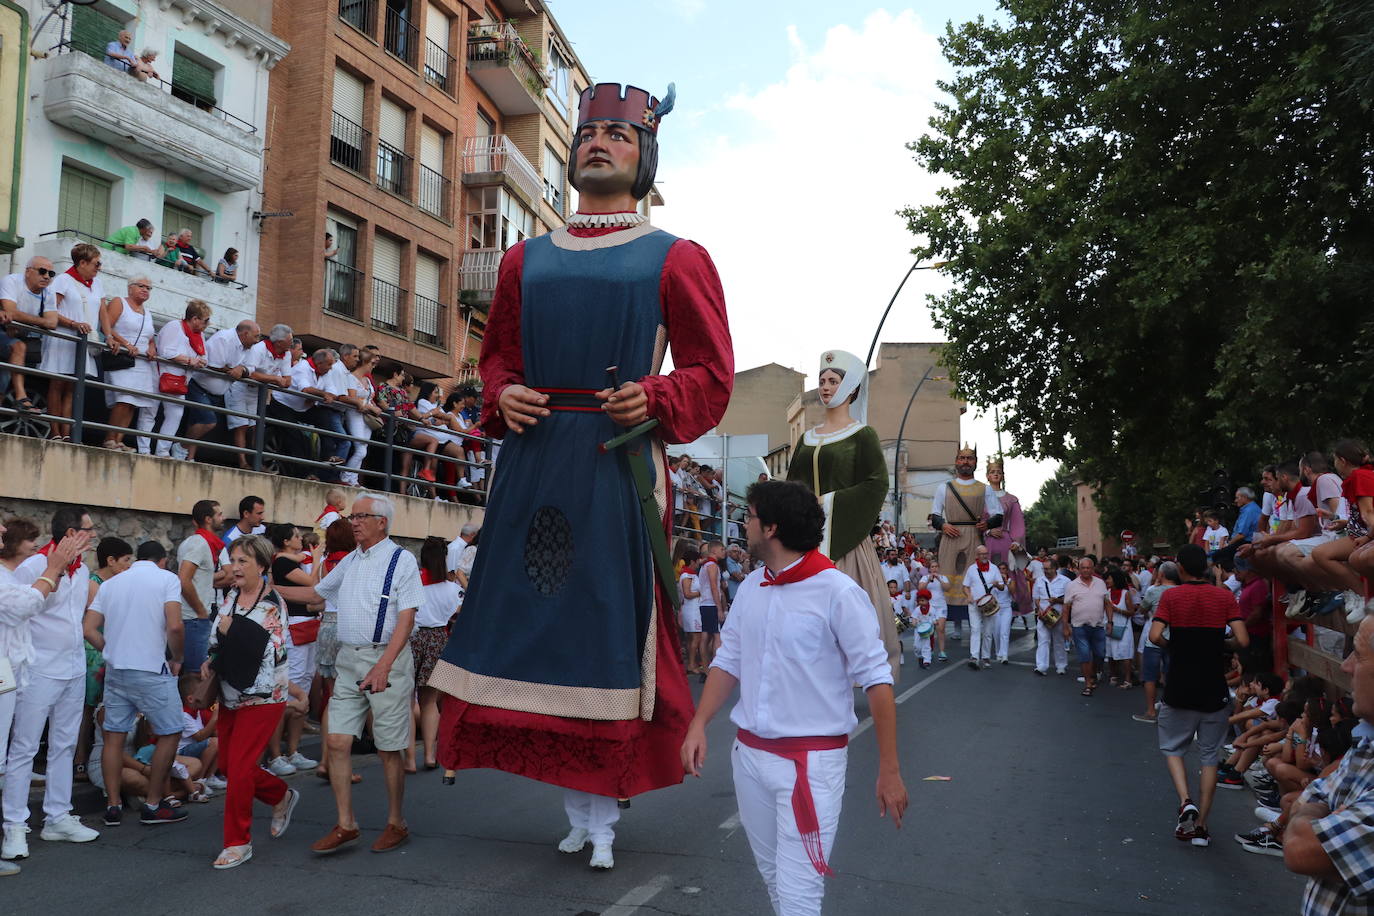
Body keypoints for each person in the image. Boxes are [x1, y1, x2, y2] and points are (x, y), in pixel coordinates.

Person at [431, 80, 732, 870]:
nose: (599, 142)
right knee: (535, 626)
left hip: (618, 457)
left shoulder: (677, 257)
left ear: (644, 156)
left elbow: (712, 373)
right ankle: (578, 808)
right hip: (534, 457)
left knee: (603, 625)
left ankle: (602, 815)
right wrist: (502, 391)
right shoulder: (524, 259)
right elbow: (495, 354)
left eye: (618, 135)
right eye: (589, 132)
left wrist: (657, 393)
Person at [681, 480, 907, 915]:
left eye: (748, 516)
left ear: (771, 528)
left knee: (800, 895)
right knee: (774, 880)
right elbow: (728, 661)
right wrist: (698, 725)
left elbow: (878, 681)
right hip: (748, 757)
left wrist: (890, 771)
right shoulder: (751, 586)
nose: (742, 524)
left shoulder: (838, 593)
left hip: (810, 765)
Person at [303, 494, 421, 854]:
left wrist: (384, 664)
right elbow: (316, 596)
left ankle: (396, 822)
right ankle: (346, 823)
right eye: (352, 517)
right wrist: (266, 589)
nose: (352, 522)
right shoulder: (352, 559)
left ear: (381, 522)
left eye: (360, 517)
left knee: (388, 747)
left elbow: (408, 616)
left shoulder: (402, 560)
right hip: (349, 659)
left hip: (386, 660)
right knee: (337, 741)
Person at [786, 349, 900, 681]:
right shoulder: (806, 440)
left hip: (847, 542)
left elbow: (877, 484)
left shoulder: (863, 435)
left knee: (854, 618)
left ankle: (858, 678)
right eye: (822, 381)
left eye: (833, 381)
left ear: (851, 388)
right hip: (806, 542)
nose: (824, 387)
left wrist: (828, 502)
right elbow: (792, 486)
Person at [2, 507, 101, 863]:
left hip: (72, 668)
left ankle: (58, 816)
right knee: (24, 749)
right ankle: (15, 824)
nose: (92, 536)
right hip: (38, 669)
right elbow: (21, 612)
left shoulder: (84, 569)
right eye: (88, 531)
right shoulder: (33, 567)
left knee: (64, 744)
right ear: (72, 533)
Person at [204, 534, 300, 869]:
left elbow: (267, 649)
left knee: (242, 769)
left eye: (243, 561)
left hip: (264, 696)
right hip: (230, 693)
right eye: (233, 560)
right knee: (230, 767)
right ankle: (280, 795)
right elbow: (219, 634)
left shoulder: (272, 603)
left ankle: (237, 842)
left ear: (261, 565)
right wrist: (211, 656)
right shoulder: (231, 595)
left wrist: (232, 631)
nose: (236, 567)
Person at [1148, 544, 1248, 849]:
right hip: (1213, 687)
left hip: (1180, 684)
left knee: (1173, 748)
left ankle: (1185, 800)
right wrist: (1220, 645)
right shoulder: (1224, 597)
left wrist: (1173, 647)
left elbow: (1154, 636)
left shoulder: (1172, 596)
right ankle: (1202, 826)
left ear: (1180, 567)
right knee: (1209, 757)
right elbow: (1241, 639)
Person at [83, 540, 187, 826]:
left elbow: (89, 628)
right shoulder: (167, 579)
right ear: (162, 561)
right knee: (171, 731)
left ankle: (113, 805)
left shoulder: (112, 583)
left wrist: (109, 649)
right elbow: (175, 625)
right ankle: (154, 804)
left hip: (117, 669)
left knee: (113, 737)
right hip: (151, 668)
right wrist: (177, 656)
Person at [1284, 615, 1374, 912]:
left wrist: (1317, 813)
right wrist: (1324, 812)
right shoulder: (1366, 740)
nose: (1346, 666)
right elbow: (1308, 796)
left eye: (1358, 655)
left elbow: (1302, 847)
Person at [264, 524, 320, 776]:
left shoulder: (291, 561)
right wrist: (317, 559)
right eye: (297, 536)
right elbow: (315, 586)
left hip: (307, 627)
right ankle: (276, 754)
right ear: (286, 541)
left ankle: (293, 750)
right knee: (289, 688)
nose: (301, 539)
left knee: (304, 685)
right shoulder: (283, 563)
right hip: (294, 628)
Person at [929, 444, 1004, 613]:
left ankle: (973, 611)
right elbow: (934, 516)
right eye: (962, 458)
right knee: (948, 572)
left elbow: (998, 515)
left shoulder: (984, 488)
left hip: (973, 536)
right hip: (950, 536)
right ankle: (947, 614)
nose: (965, 461)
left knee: (973, 575)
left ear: (975, 462)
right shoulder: (944, 487)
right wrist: (943, 525)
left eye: (969, 458)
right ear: (956, 461)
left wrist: (987, 524)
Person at [42, 244, 104, 442]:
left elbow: (102, 312)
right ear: (82, 263)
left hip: (82, 340)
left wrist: (108, 334)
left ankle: (67, 433)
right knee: (57, 384)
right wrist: (73, 324)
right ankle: (55, 432)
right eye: (96, 263)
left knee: (72, 387)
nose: (99, 267)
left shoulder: (97, 283)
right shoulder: (63, 280)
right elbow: (51, 309)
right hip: (63, 337)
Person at [412, 537, 461, 771]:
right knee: (430, 700)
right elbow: (459, 611)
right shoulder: (452, 588)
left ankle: (409, 757)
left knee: (406, 699)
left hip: (411, 638)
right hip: (439, 638)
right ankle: (430, 755)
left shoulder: (413, 581)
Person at [98, 276, 158, 453]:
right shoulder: (119, 302)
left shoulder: (147, 312)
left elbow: (151, 337)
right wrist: (125, 343)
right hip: (121, 358)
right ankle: (110, 438)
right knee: (123, 399)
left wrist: (152, 348)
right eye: (141, 286)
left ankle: (119, 439)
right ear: (130, 288)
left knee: (133, 402)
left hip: (140, 362)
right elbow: (106, 326)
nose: (145, 290)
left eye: (148, 287)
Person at [183, 318, 257, 460]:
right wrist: (233, 370)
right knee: (207, 421)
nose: (257, 340)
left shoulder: (248, 347)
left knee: (196, 423)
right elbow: (213, 364)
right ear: (246, 334)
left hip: (217, 392)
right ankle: (181, 446)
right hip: (199, 386)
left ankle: (188, 457)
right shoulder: (224, 338)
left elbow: (251, 367)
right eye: (256, 336)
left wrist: (241, 369)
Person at [151, 299, 210, 458]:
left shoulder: (200, 335)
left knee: (176, 414)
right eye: (205, 321)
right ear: (195, 319)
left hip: (180, 380)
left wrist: (202, 362)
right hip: (160, 375)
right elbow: (165, 351)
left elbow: (204, 356)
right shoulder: (174, 326)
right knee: (149, 413)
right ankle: (143, 449)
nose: (207, 325)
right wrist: (189, 360)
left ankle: (162, 451)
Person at [177, 499, 230, 675]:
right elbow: (184, 579)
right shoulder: (199, 544)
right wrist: (200, 612)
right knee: (195, 675)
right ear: (208, 519)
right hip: (194, 620)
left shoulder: (199, 542)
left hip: (193, 619)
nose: (223, 518)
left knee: (190, 674)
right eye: (219, 514)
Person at [0, 257, 59, 414]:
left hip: (14, 338)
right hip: (6, 334)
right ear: (27, 271)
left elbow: (53, 323)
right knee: (18, 347)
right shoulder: (12, 281)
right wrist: (40, 321)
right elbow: (10, 311)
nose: (47, 276)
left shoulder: (48, 292)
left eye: (50, 273)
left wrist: (19, 321)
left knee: (3, 380)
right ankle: (21, 397)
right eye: (42, 271)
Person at [1062, 556, 1110, 696]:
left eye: (1088, 567)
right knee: (1084, 656)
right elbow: (1066, 608)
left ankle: (1093, 674)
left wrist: (1110, 622)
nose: (1086, 570)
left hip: (1098, 626)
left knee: (1100, 654)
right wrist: (1065, 626)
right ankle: (1088, 683)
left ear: (1093, 569)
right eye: (1083, 567)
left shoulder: (1101, 583)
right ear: (1079, 569)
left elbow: (1107, 603)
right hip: (1079, 626)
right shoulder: (1072, 585)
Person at [961, 544, 1005, 670]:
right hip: (974, 604)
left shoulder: (994, 568)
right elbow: (965, 586)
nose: (984, 556)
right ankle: (974, 657)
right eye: (981, 554)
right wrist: (968, 596)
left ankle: (986, 657)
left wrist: (997, 585)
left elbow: (1002, 587)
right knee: (975, 630)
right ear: (977, 555)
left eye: (986, 553)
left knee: (987, 632)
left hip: (989, 605)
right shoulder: (972, 569)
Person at [982, 458, 1026, 568]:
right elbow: (976, 521)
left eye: (999, 472)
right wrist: (988, 531)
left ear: (1003, 476)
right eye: (992, 472)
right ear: (987, 476)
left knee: (1007, 570)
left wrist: (1016, 541)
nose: (996, 474)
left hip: (1005, 540)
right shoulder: (980, 498)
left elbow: (1017, 523)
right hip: (986, 541)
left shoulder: (1011, 499)